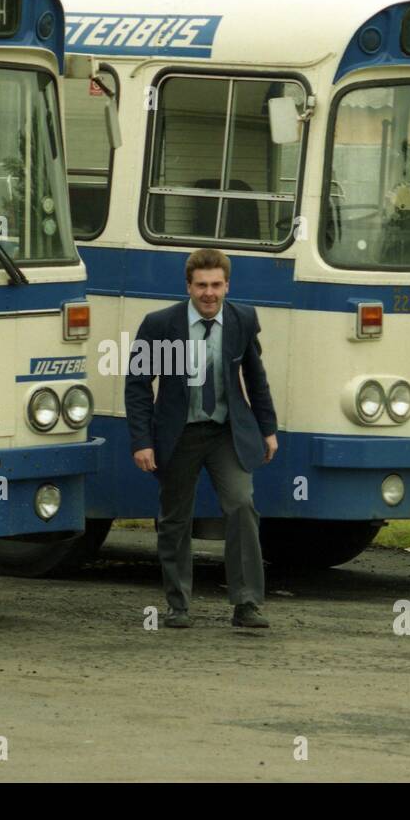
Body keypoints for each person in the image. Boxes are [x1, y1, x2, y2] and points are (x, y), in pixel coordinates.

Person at [125, 248, 278, 629]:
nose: (208, 293)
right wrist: (142, 441)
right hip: (179, 435)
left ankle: (247, 603)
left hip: (226, 432)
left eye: (216, 285)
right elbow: (138, 385)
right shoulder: (160, 325)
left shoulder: (243, 320)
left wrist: (268, 429)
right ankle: (178, 605)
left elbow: (256, 378)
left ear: (227, 285)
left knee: (242, 505)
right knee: (175, 518)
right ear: (188, 287)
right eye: (201, 286)